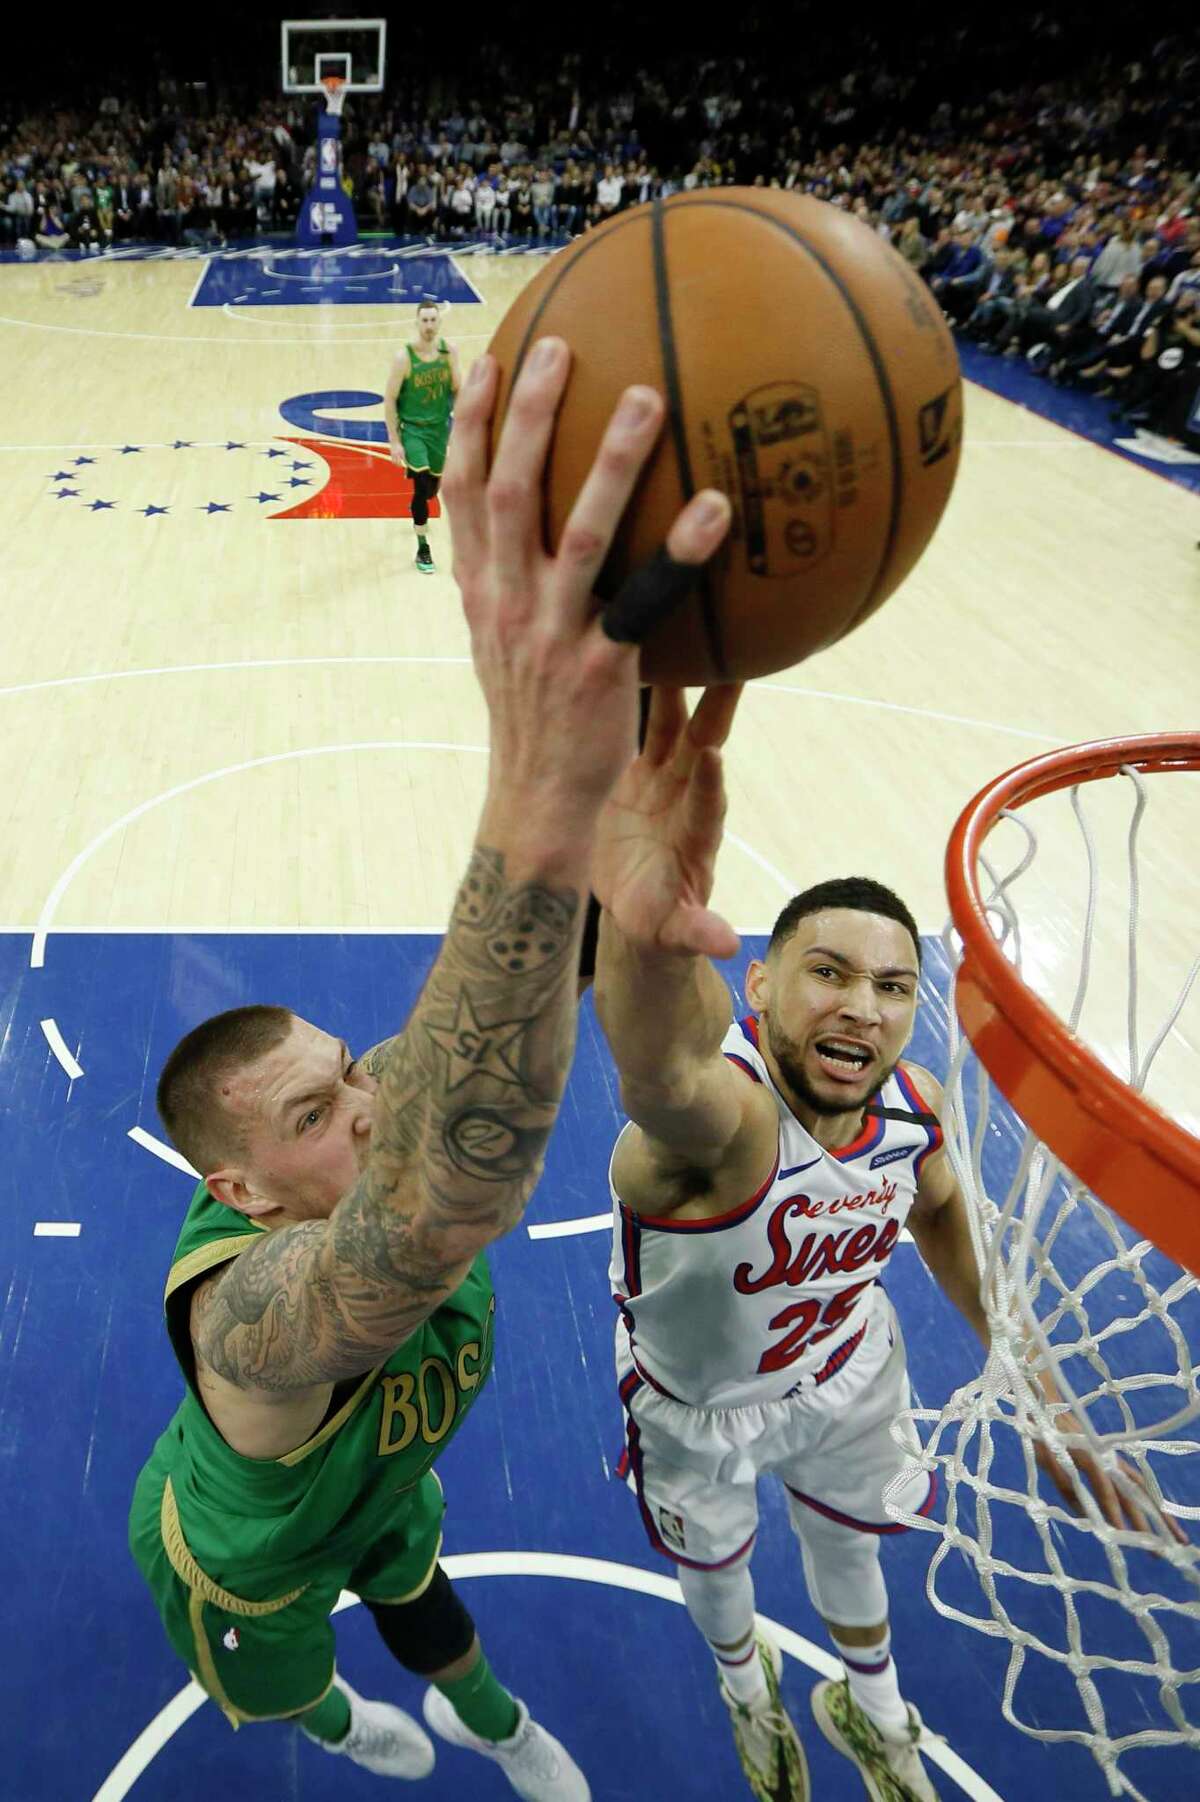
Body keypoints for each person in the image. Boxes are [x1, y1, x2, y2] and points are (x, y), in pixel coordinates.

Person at [128, 338, 733, 1794]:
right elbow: (429, 1199)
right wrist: (541, 784)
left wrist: (604, 891)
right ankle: (336, 1723)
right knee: (295, 1693)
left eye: (349, 1073)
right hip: (246, 1566)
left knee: (423, 1589)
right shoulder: (251, 1320)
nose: (367, 1103)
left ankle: (493, 1713)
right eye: (316, 1114)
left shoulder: (375, 1116)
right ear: (242, 1185)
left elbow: (474, 1036)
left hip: (381, 1482)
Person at [589, 689, 1177, 1802]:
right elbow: (661, 1061)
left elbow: (944, 1211)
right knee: (718, 1576)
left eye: (893, 985)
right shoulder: (722, 1126)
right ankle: (745, 1688)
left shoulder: (909, 1106)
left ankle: (872, 1707)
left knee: (850, 1547)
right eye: (828, 971)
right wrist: (641, 902)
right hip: (698, 1403)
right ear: (758, 983)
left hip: (849, 1367)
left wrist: (1035, 1386)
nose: (862, 1004)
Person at [384, 302, 461, 574]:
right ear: (417, 323)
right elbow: (390, 400)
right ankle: (423, 546)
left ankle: (419, 505)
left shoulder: (449, 352)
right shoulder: (404, 358)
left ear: (439, 322)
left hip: (440, 429)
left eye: (433, 320)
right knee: (421, 483)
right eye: (424, 320)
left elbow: (457, 390)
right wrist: (395, 441)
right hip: (413, 430)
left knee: (431, 491)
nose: (429, 325)